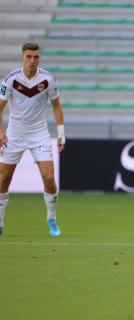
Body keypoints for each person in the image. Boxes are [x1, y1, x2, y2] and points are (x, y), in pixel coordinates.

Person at [0, 43, 65, 236]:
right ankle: (0, 221)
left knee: (49, 178)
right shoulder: (10, 80)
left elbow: (57, 106)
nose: (32, 61)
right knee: (3, 178)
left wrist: (61, 133)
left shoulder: (48, 79)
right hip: (15, 133)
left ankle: (51, 218)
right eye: (29, 57)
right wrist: (1, 132)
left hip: (39, 134)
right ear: (22, 57)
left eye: (36, 57)